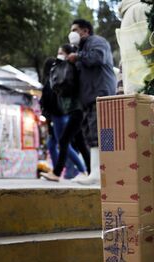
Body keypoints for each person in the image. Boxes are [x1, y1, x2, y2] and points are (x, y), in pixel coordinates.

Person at [67, 18, 116, 185]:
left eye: (75, 30)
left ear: (85, 31)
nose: (72, 33)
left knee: (102, 134)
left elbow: (98, 57)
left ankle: (102, 173)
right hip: (90, 98)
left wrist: (77, 56)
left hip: (101, 96)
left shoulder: (97, 41)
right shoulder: (82, 48)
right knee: (92, 135)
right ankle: (98, 172)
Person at [41, 44, 89, 182]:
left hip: (75, 109)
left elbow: (63, 87)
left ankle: (57, 173)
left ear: (69, 54)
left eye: (61, 52)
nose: (58, 55)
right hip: (73, 110)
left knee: (63, 141)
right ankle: (88, 171)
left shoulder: (70, 68)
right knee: (79, 143)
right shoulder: (70, 67)